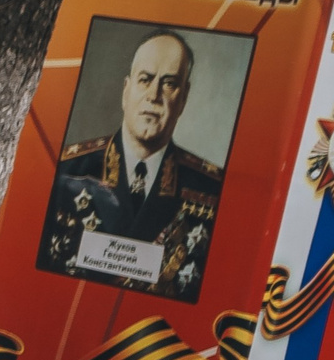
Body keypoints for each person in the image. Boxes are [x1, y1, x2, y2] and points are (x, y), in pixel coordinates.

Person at [37, 30, 222, 301]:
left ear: (184, 98)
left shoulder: (211, 189)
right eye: (145, 80)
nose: (154, 95)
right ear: (126, 90)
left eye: (169, 84)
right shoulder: (66, 170)